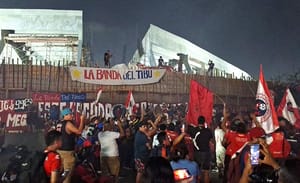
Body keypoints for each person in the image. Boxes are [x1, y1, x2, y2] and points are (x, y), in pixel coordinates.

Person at [57, 108, 85, 183]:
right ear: (65, 115)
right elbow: (79, 132)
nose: (72, 115)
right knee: (67, 176)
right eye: (70, 114)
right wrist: (82, 120)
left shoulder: (59, 123)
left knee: (60, 175)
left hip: (59, 151)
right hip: (67, 153)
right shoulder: (68, 123)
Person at [187, 116, 213, 183]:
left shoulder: (193, 130)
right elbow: (211, 139)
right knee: (206, 171)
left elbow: (187, 129)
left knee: (197, 170)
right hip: (207, 152)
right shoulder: (208, 131)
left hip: (197, 153)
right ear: (204, 122)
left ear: (197, 122)